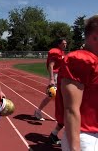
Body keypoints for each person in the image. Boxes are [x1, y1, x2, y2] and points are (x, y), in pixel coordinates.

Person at [60, 15, 98, 151]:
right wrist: (75, 148)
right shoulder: (80, 61)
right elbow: (71, 109)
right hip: (87, 137)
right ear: (94, 37)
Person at [34, 38, 67, 144]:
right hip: (56, 76)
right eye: (63, 43)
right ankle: (38, 111)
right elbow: (51, 65)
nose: (65, 45)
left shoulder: (62, 52)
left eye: (66, 43)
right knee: (51, 96)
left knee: (54, 97)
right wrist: (52, 78)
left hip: (60, 76)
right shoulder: (56, 52)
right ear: (59, 44)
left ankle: (39, 112)